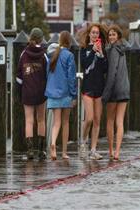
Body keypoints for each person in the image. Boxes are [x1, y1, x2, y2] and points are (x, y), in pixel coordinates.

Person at [45, 31, 77, 160]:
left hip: (52, 93)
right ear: (69, 42)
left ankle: (52, 143)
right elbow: (71, 77)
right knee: (65, 123)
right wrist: (73, 95)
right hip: (65, 93)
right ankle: (64, 152)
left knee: (56, 123)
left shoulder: (52, 54)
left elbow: (47, 74)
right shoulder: (69, 55)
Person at [16, 27, 48, 160]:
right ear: (41, 39)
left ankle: (29, 151)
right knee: (41, 120)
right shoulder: (44, 55)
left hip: (27, 91)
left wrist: (20, 92)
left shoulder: (23, 54)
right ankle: (41, 151)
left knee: (29, 120)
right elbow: (47, 74)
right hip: (41, 92)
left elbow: (19, 76)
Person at [79, 23, 108, 160]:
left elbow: (105, 69)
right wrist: (92, 51)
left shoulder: (103, 49)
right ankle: (83, 142)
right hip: (87, 87)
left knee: (97, 120)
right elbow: (84, 64)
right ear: (89, 34)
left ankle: (93, 149)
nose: (95, 34)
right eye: (93, 32)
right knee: (89, 118)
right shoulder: (84, 48)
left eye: (97, 33)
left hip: (99, 87)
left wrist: (101, 54)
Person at [102, 25, 130, 161]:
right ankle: (118, 151)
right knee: (120, 121)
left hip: (114, 90)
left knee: (110, 120)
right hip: (124, 88)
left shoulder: (113, 50)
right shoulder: (123, 49)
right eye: (109, 35)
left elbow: (112, 73)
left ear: (118, 36)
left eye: (113, 34)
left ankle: (111, 151)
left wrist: (106, 94)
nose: (111, 37)